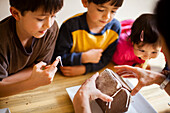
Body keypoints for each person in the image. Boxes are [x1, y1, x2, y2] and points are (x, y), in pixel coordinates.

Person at [73, 0, 170, 112]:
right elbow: (115, 59)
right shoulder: (122, 49)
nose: (147, 55)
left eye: (154, 52)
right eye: (142, 50)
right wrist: (161, 79)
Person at [0, 0, 63, 97]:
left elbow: (39, 67)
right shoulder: (3, 40)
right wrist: (33, 82)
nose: (49, 24)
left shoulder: (50, 30)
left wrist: (6, 82)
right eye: (40, 19)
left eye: (53, 16)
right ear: (16, 13)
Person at [51, 0, 124, 76]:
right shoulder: (70, 26)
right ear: (85, 2)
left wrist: (85, 69)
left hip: (91, 74)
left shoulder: (115, 28)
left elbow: (106, 59)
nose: (107, 17)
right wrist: (82, 57)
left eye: (113, 11)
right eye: (101, 10)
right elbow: (57, 59)